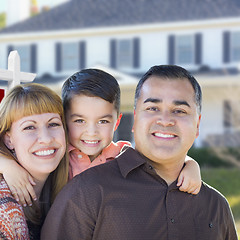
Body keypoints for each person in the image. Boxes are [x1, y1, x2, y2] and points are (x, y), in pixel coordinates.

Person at [40, 65, 238, 240]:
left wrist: (191, 163)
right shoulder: (85, 191)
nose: (165, 120)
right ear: (134, 120)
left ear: (197, 125)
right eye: (152, 108)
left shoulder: (216, 206)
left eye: (179, 111)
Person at [0, 68, 202, 207]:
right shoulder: (57, 155)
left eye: (103, 121)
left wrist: (191, 165)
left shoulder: (124, 155)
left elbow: (161, 162)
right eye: (79, 121)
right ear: (64, 121)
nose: (91, 132)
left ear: (117, 121)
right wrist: (9, 168)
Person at [0, 83, 69, 240]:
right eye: (29, 127)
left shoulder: (64, 187)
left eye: (53, 124)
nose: (46, 138)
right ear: (9, 140)